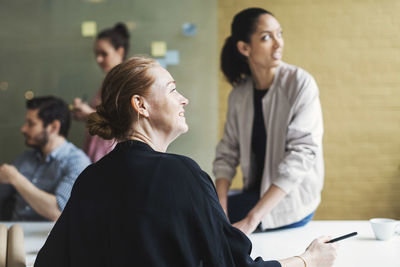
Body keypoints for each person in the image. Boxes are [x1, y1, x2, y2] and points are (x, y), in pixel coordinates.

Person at [34, 56, 337, 267]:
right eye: (172, 89)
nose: (184, 99)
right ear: (140, 105)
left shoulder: (91, 178)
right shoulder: (183, 174)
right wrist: (308, 260)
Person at [213, 7, 324, 234]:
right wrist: (220, 206)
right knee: (201, 210)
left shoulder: (300, 84)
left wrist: (252, 219)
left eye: (279, 34)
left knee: (197, 221)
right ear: (244, 48)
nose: (278, 43)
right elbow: (227, 152)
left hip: (290, 203)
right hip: (255, 196)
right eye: (266, 37)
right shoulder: (239, 95)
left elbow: (301, 155)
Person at [0, 96, 90, 221]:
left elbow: (58, 211)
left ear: (53, 127)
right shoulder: (24, 159)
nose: (23, 129)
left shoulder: (77, 163)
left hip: (49, 238)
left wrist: (16, 179)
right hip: (13, 233)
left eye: (31, 124)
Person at [72, 22, 130, 162]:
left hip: (110, 150)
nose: (98, 59)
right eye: (96, 54)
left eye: (104, 54)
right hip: (99, 147)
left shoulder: (126, 81)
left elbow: (125, 123)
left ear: (120, 51)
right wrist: (83, 113)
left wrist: (88, 113)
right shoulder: (109, 80)